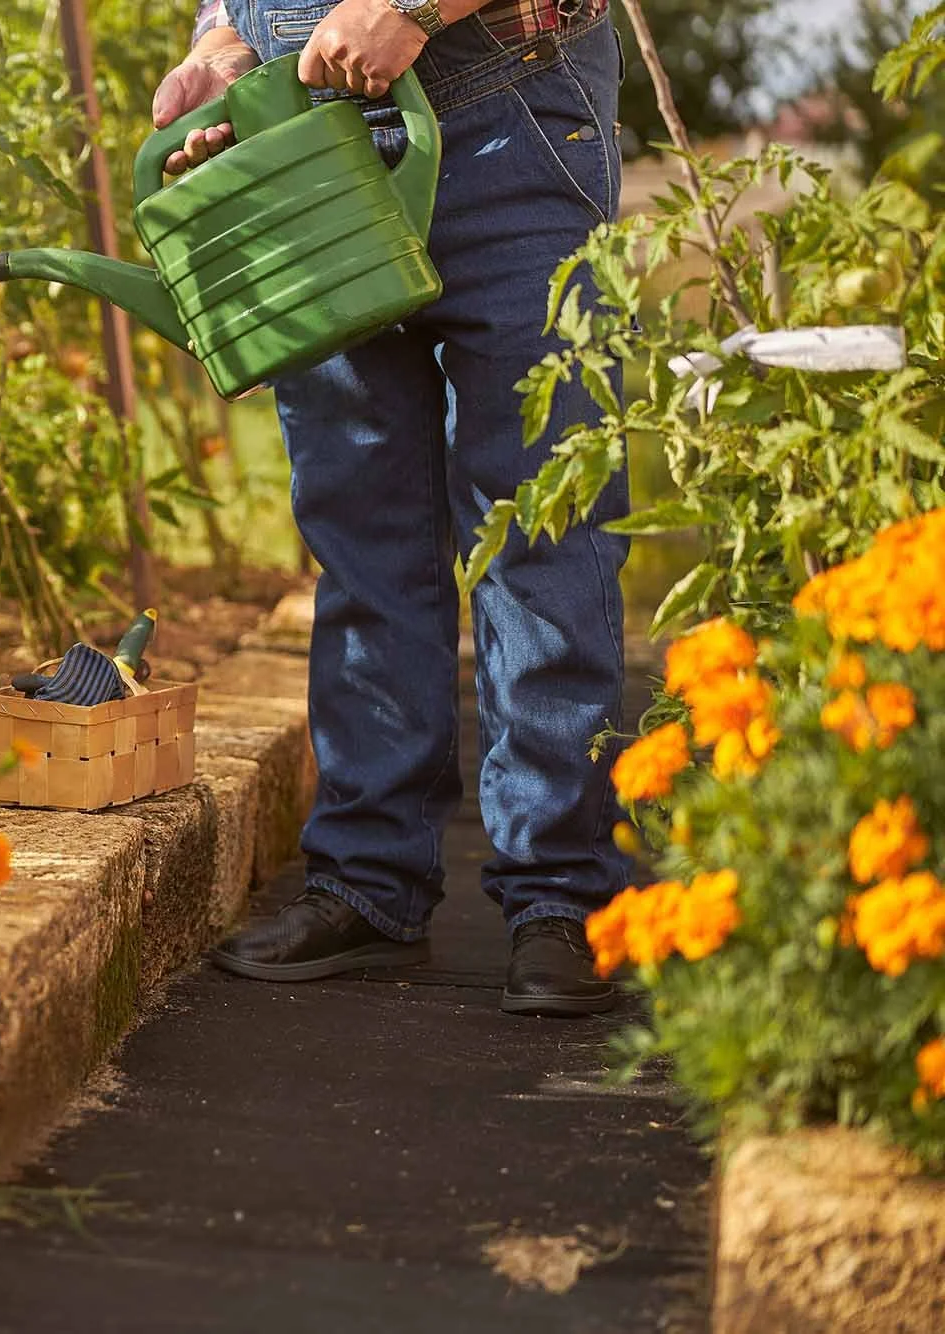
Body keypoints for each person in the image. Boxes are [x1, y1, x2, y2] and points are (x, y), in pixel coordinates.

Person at [156, 0, 634, 1015]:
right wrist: (221, 42)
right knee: (362, 527)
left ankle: (560, 896)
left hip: (507, 104)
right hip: (309, 130)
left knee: (538, 516)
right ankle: (370, 883)